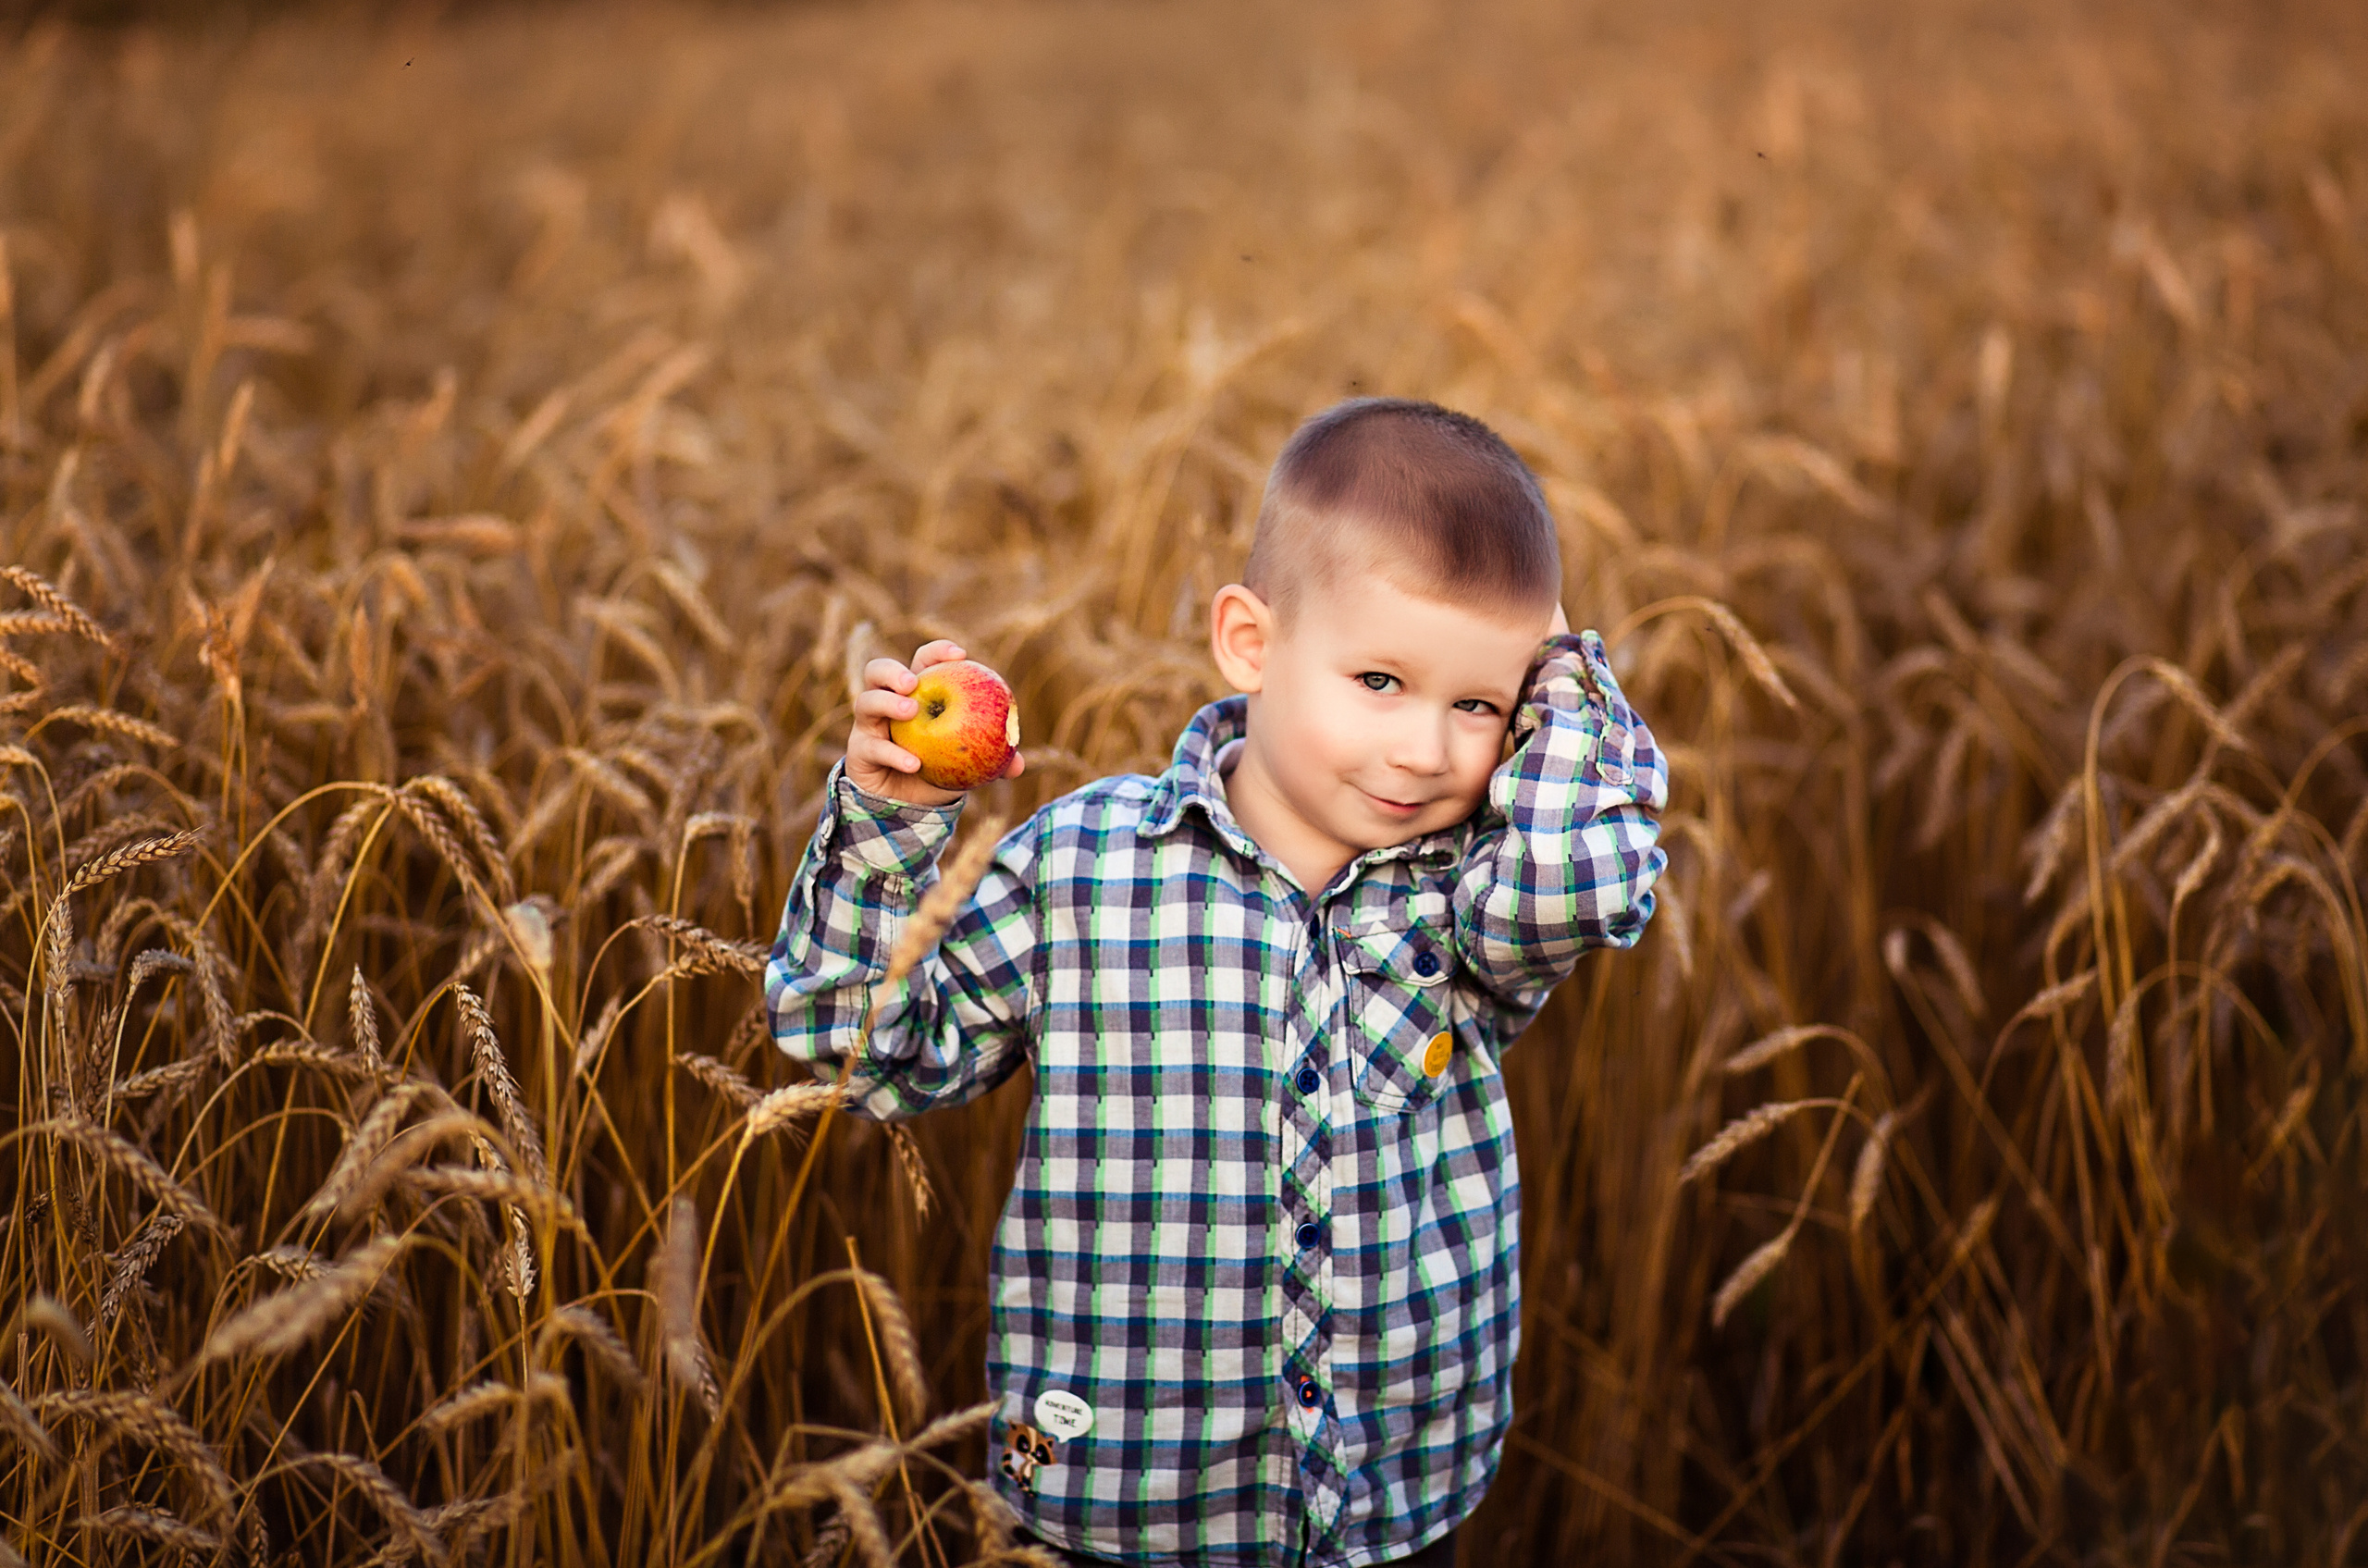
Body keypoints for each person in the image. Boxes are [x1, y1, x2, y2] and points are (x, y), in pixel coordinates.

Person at [767, 397, 1669, 1567]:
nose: (1424, 750)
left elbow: (1580, 881)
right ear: (1248, 642)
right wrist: (887, 829)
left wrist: (1566, 674)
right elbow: (859, 1053)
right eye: (1380, 679)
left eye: (1478, 705)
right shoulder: (1081, 868)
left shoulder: (1474, 891)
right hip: (1118, 1504)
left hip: (1387, 1506)